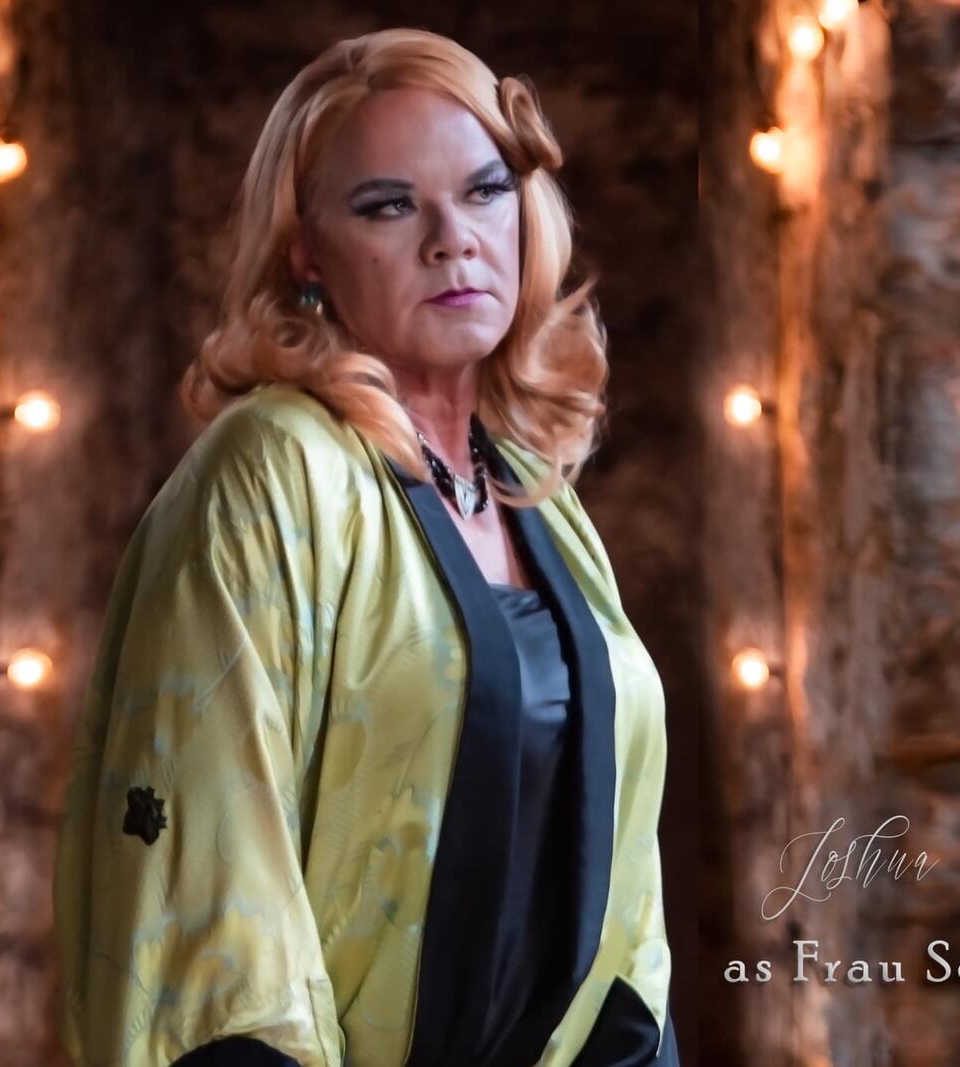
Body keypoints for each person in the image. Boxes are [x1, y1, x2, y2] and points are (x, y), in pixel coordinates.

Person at [52, 27, 679, 1067]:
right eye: (388, 206)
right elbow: (214, 895)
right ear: (306, 251)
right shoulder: (269, 469)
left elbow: (626, 912)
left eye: (484, 191)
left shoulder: (533, 488)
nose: (452, 239)